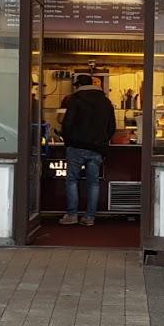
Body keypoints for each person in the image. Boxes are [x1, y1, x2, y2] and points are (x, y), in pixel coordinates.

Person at [59, 73, 116, 226]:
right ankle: (89, 217)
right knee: (93, 183)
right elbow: (112, 127)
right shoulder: (105, 101)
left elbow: (67, 123)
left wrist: (68, 141)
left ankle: (72, 215)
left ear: (78, 85)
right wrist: (102, 141)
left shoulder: (75, 100)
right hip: (97, 148)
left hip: (76, 147)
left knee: (72, 181)